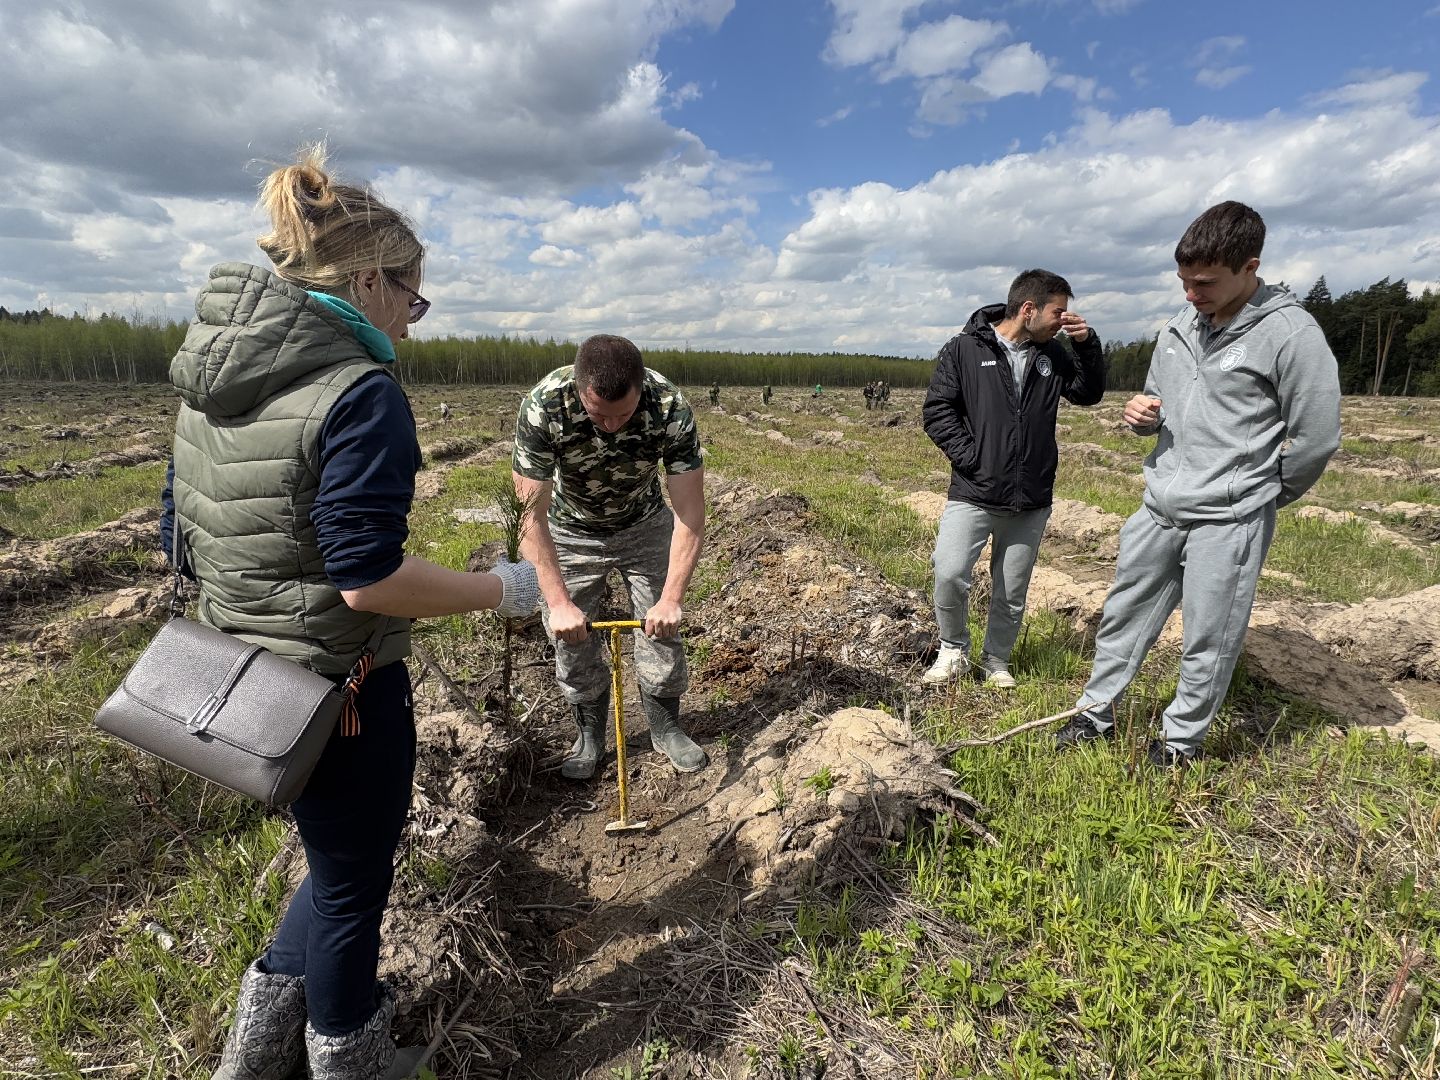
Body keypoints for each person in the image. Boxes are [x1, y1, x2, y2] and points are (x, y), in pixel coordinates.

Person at [163, 147, 540, 1080]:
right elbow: (366, 578)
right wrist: (501, 589)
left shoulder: (213, 377)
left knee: (330, 865)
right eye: (413, 296)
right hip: (342, 687)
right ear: (369, 279)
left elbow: (180, 531)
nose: (414, 319)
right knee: (353, 886)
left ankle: (256, 1053)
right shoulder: (359, 391)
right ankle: (350, 1058)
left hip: (241, 672)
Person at [1057, 201, 1341, 768]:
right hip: (1160, 506)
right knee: (1123, 614)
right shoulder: (1179, 325)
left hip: (1229, 519)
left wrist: (1259, 492)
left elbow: (1316, 436)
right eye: (1184, 282)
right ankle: (1096, 712)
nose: (1191, 294)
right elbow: (1157, 397)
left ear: (1249, 267)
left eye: (1204, 283)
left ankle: (1180, 741)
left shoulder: (1290, 335)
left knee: (1208, 634)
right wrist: (1142, 414)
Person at [512, 335, 709, 779]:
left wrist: (672, 597)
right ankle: (590, 733)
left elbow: (691, 512)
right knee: (569, 634)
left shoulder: (668, 407)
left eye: (624, 414)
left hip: (644, 523)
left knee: (662, 628)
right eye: (600, 414)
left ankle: (665, 726)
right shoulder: (546, 405)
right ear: (581, 390)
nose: (613, 425)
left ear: (641, 389)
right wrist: (559, 602)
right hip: (569, 527)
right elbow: (529, 517)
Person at [922, 269, 1105, 689]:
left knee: (1011, 587)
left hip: (1032, 496)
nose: (1064, 319)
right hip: (974, 491)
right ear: (1028, 310)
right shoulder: (964, 350)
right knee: (949, 572)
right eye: (1058, 312)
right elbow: (938, 411)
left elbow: (1088, 393)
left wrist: (1085, 345)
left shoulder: (1053, 354)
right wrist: (974, 458)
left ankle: (995, 660)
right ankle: (953, 649)